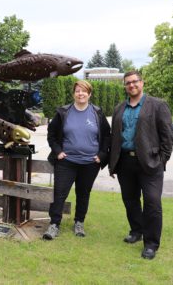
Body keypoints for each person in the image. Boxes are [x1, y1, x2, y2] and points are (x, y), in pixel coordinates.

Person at [109, 71, 173, 260]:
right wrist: (113, 163)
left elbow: (167, 136)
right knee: (130, 200)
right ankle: (136, 231)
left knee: (152, 202)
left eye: (134, 82)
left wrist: (162, 159)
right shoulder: (119, 108)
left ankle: (151, 243)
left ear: (142, 83)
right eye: (127, 83)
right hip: (125, 162)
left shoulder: (158, 105)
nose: (131, 85)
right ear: (125, 86)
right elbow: (115, 137)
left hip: (150, 163)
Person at [43, 80, 111, 240]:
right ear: (73, 93)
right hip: (66, 162)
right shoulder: (63, 112)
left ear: (89, 94)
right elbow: (51, 135)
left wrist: (101, 155)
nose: (81, 94)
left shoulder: (97, 113)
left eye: (84, 91)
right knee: (59, 193)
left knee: (83, 194)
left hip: (90, 163)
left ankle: (79, 222)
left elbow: (107, 136)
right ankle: (54, 224)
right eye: (78, 91)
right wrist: (58, 151)